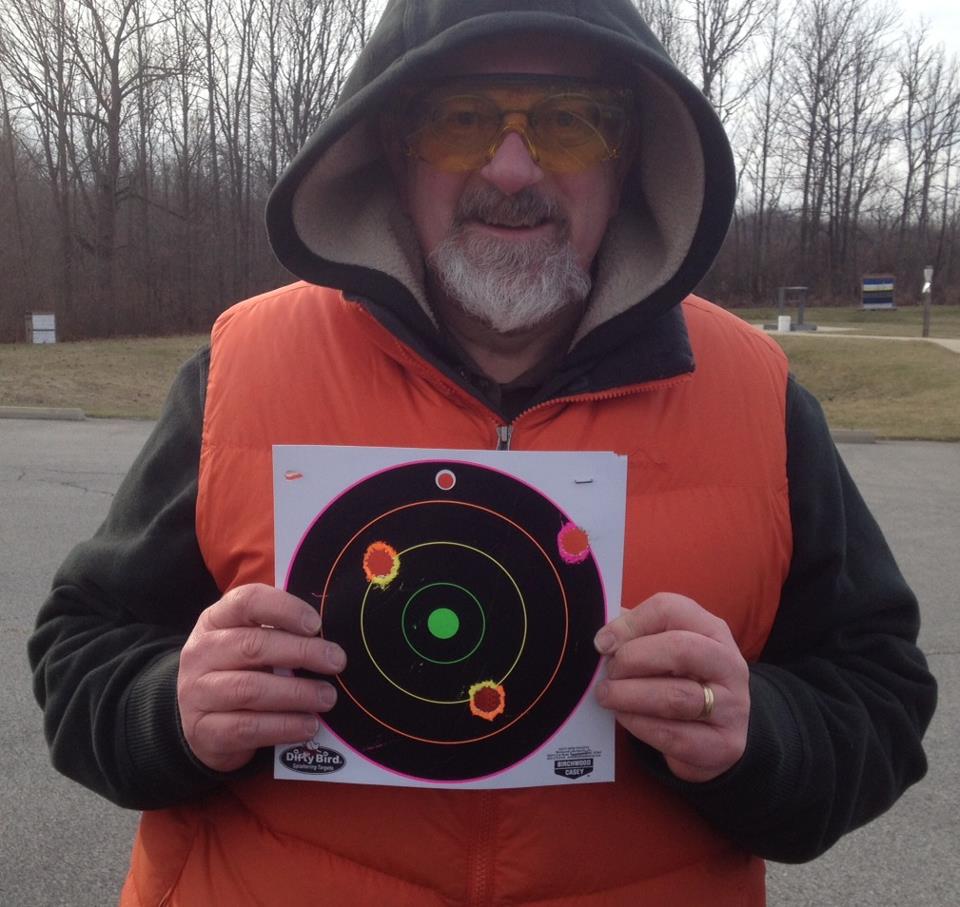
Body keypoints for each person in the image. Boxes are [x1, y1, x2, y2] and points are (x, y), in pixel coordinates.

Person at [29, 1, 936, 904]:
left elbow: (881, 698)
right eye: (462, 120)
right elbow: (78, 652)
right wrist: (167, 710)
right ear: (394, 146)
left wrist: (761, 734)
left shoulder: (755, 393)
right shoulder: (242, 368)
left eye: (570, 121)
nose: (511, 166)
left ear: (631, 159)